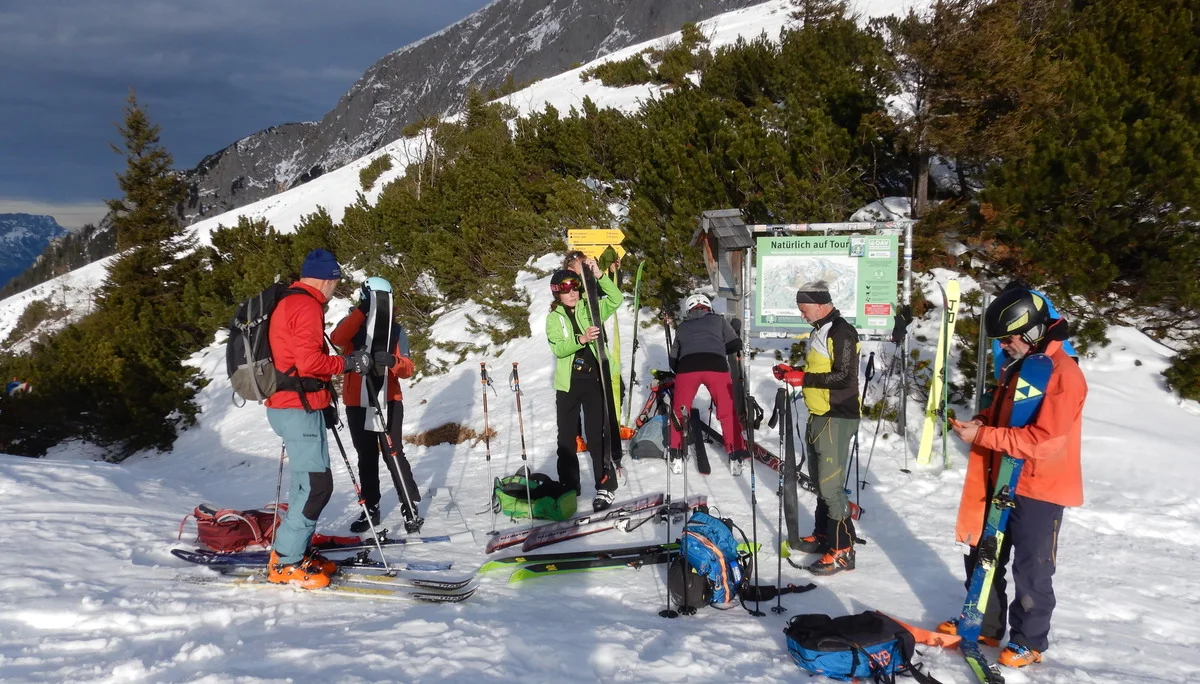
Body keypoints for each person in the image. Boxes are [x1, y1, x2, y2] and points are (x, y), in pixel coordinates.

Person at [940, 285, 1087, 669]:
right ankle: (983, 624)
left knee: (1032, 567)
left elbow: (1045, 441)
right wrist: (982, 421)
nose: (1005, 346)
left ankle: (1029, 641)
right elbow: (1007, 415)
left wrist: (984, 436)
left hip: (1041, 486)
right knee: (984, 554)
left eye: (1010, 338)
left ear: (1033, 331)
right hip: (1004, 476)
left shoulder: (1063, 375)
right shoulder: (1023, 366)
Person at [263, 248, 385, 589]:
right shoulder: (304, 305)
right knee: (317, 486)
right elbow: (310, 363)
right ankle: (285, 562)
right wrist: (348, 363)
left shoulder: (291, 301)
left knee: (305, 483)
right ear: (327, 278)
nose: (335, 288)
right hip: (295, 407)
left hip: (295, 404)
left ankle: (294, 552)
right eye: (336, 281)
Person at [772, 280, 861, 576]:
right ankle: (825, 536)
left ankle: (843, 551)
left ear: (822, 304)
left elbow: (845, 377)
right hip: (820, 414)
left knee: (831, 487)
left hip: (837, 415)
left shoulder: (842, 332)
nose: (802, 315)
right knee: (822, 483)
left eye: (804, 309)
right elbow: (821, 371)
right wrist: (794, 372)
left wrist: (803, 378)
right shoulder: (820, 331)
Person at [330, 276, 421, 535]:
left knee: (393, 454)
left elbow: (408, 368)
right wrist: (361, 310)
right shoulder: (351, 323)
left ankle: (409, 505)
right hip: (356, 402)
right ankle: (371, 506)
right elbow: (338, 338)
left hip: (388, 399)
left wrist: (392, 361)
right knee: (366, 456)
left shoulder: (396, 330)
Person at [545, 262, 622, 512]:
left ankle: (605, 485)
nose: (573, 293)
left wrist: (599, 275)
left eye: (575, 287)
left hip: (593, 380)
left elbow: (616, 299)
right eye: (567, 289)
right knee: (566, 438)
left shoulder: (589, 309)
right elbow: (558, 348)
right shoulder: (553, 319)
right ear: (557, 292)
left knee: (595, 435)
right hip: (568, 384)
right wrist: (582, 339)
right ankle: (569, 484)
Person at [667, 293, 749, 474]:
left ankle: (677, 454)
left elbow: (673, 360)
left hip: (687, 368)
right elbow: (735, 344)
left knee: (679, 412)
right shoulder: (718, 321)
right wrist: (721, 342)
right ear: (708, 307)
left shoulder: (682, 327)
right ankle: (736, 455)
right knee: (727, 412)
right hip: (716, 366)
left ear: (688, 310)